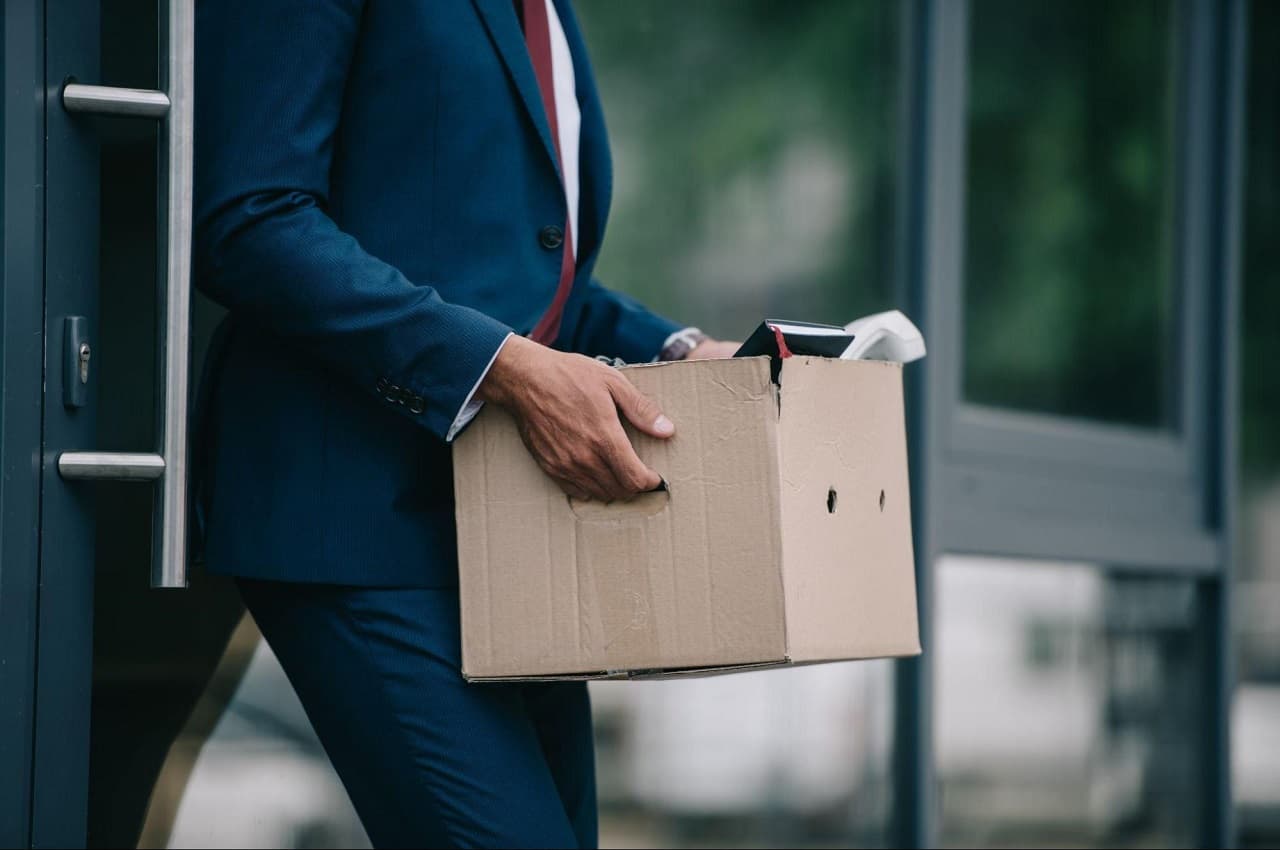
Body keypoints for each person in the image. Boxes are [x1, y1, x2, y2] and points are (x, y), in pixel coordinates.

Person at [192, 1, 736, 846]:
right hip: (353, 513)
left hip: (512, 527)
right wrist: (505, 370)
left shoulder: (548, 13)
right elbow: (250, 221)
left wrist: (680, 347)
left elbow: (515, 274)